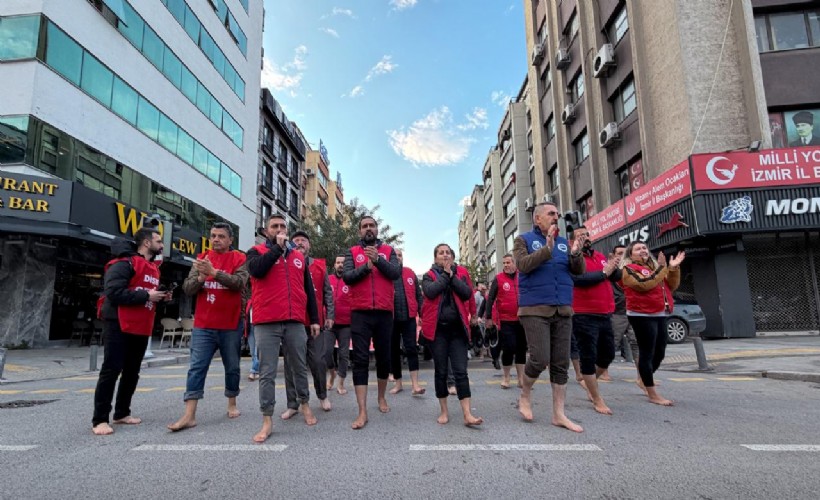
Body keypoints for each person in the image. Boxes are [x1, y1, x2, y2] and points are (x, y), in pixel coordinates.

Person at [247, 214, 320, 442]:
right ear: (267, 230)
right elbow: (257, 271)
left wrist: (315, 319)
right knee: (267, 372)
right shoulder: (255, 252)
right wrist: (277, 250)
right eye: (274, 226)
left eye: (282, 226)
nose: (279, 229)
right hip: (266, 320)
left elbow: (308, 290)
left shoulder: (298, 257)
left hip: (295, 320)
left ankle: (305, 404)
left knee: (299, 366)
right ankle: (267, 419)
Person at [512, 202, 585, 433]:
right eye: (551, 213)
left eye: (557, 214)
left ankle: (558, 414)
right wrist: (547, 249)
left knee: (561, 363)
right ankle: (525, 394)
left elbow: (578, 271)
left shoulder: (565, 243)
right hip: (535, 309)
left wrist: (576, 254)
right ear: (537, 219)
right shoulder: (522, 240)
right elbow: (523, 265)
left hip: (563, 309)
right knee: (540, 358)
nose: (556, 217)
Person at [168, 223, 248, 432]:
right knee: (196, 368)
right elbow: (187, 288)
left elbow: (239, 283)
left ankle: (232, 403)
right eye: (213, 235)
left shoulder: (239, 259)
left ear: (230, 240)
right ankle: (189, 414)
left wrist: (215, 272)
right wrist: (202, 277)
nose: (216, 239)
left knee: (232, 367)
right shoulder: (201, 260)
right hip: (204, 325)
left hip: (231, 324)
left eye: (221, 236)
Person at [92, 228, 168, 435]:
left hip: (140, 324)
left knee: (132, 371)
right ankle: (100, 419)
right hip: (119, 323)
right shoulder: (124, 263)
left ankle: (122, 413)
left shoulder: (153, 267)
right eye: (158, 241)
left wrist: (159, 296)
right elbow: (114, 293)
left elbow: (144, 293)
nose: (161, 245)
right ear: (145, 243)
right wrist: (146, 296)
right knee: (111, 369)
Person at [342, 215, 402, 429]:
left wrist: (378, 260)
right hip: (360, 313)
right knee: (360, 361)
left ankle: (381, 397)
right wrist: (366, 267)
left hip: (384, 313)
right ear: (359, 231)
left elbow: (395, 273)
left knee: (384, 360)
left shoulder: (388, 252)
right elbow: (347, 277)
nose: (369, 229)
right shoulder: (352, 252)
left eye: (372, 226)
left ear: (377, 230)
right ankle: (362, 411)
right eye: (364, 226)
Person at [421, 243, 483, 426]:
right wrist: (445, 276)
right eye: (441, 253)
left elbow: (466, 293)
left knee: (461, 372)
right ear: (435, 258)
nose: (445, 255)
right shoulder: (428, 276)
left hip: (457, 330)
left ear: (453, 257)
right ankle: (444, 411)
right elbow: (431, 292)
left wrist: (452, 276)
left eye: (448, 253)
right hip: (438, 331)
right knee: (441, 372)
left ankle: (467, 414)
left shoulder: (461, 273)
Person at [621, 242, 685, 406]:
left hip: (660, 312)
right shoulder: (628, 269)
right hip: (641, 314)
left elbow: (671, 286)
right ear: (630, 255)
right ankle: (652, 393)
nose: (642, 250)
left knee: (660, 352)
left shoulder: (656, 268)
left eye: (644, 248)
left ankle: (644, 378)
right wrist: (662, 268)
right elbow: (644, 285)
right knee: (647, 352)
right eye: (638, 249)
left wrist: (673, 269)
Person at [281, 230, 335, 417]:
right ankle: (293, 404)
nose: (300, 243)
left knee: (318, 361)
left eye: (304, 240)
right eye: (296, 240)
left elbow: (328, 292)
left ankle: (322, 395)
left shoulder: (320, 266)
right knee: (291, 364)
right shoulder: (285, 262)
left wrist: (330, 315)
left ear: (309, 245)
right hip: (292, 320)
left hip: (315, 322)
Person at [570, 226, 621, 415]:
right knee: (588, 358)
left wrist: (614, 265)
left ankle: (589, 382)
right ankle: (597, 398)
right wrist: (604, 273)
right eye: (580, 235)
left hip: (605, 313)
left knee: (607, 355)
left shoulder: (599, 256)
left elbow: (614, 277)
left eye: (587, 234)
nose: (585, 238)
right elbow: (577, 278)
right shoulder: (573, 256)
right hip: (583, 314)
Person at [484, 254, 527, 389]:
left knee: (521, 349)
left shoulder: (522, 277)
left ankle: (521, 379)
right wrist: (489, 317)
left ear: (515, 263)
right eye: (504, 263)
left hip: (522, 319)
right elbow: (490, 299)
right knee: (508, 348)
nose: (506, 265)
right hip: (506, 320)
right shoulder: (498, 279)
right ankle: (506, 377)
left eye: (508, 262)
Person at [600, 244, 640, 383]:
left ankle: (642, 376)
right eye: (619, 253)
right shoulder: (610, 270)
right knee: (612, 343)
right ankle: (603, 371)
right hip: (617, 312)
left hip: (634, 311)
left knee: (637, 343)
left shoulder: (634, 269)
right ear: (614, 255)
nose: (623, 255)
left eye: (625, 253)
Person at [389, 249, 425, 395]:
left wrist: (421, 314)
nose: (398, 258)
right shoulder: (386, 274)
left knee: (411, 349)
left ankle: (415, 385)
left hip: (409, 318)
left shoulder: (410, 273)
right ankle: (398, 384)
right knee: (393, 351)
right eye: (395, 255)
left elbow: (418, 295)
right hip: (391, 319)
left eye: (400, 255)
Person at [327, 254, 352, 395]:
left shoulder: (350, 281)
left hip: (346, 324)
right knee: (326, 353)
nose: (340, 264)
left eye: (343, 262)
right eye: (338, 262)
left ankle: (340, 383)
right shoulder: (328, 279)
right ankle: (332, 374)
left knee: (343, 355)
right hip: (329, 322)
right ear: (334, 265)